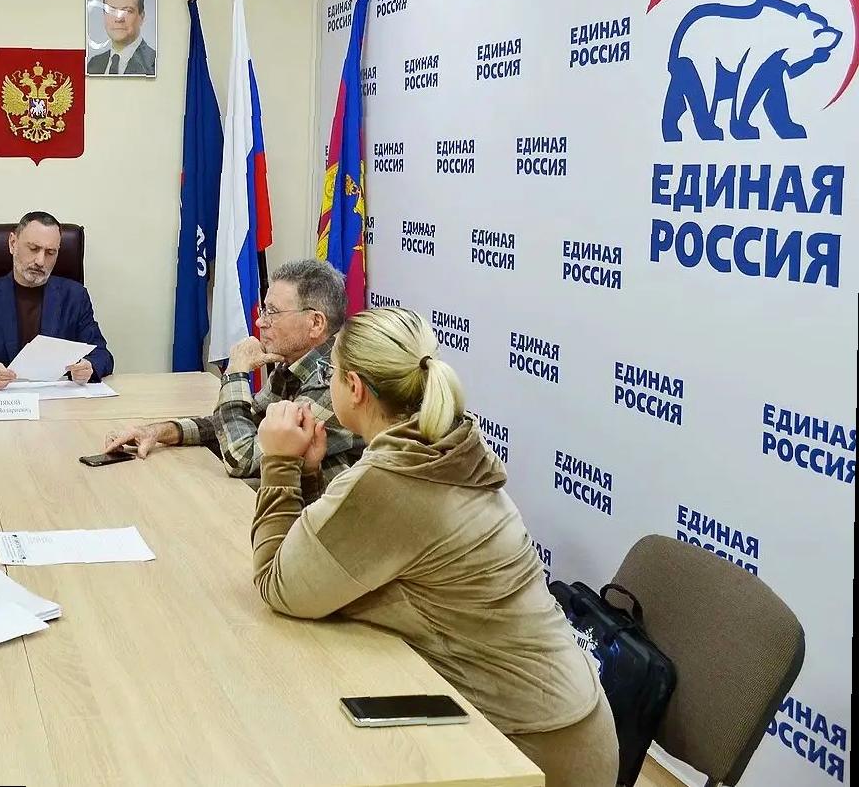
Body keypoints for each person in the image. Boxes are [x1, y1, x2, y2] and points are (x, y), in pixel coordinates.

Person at [250, 307, 618, 787]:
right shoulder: (439, 444)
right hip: (571, 721)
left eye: (333, 374)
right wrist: (310, 472)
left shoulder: (392, 477)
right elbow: (345, 556)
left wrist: (278, 460)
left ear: (354, 387)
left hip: (533, 751)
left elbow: (276, 583)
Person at [104, 259, 362, 491]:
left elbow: (242, 457)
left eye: (272, 312)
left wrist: (236, 371)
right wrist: (159, 432)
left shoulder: (334, 380)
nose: (260, 322)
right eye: (264, 311)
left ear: (316, 323)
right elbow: (241, 422)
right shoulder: (293, 363)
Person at [0, 211, 113, 387]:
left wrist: (89, 366)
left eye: (50, 252)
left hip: (58, 398)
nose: (40, 261)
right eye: (33, 249)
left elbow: (103, 355)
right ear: (13, 244)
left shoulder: (75, 297)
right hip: (3, 398)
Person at [87, 0, 156, 76]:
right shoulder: (94, 64)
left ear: (142, 16)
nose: (118, 19)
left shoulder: (154, 64)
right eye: (111, 10)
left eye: (127, 11)